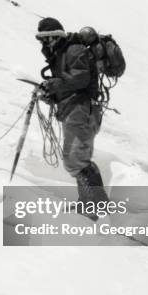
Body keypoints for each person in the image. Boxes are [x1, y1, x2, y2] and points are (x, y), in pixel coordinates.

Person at [36, 18, 109, 210]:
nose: (42, 43)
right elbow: (70, 83)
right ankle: (90, 205)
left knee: (76, 159)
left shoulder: (73, 49)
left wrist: (52, 85)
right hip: (75, 109)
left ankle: (95, 207)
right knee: (74, 159)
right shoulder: (60, 53)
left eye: (44, 39)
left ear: (53, 36)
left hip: (82, 109)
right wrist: (53, 94)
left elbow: (81, 78)